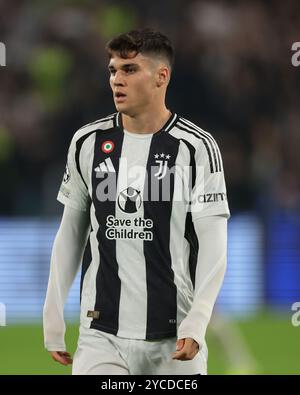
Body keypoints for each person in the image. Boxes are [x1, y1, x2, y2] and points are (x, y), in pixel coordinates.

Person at [43, 28, 230, 375]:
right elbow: (70, 232)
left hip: (173, 338)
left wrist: (198, 320)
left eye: (129, 70)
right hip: (102, 335)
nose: (117, 79)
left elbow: (214, 246)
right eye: (113, 70)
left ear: (162, 76)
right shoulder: (88, 142)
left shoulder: (196, 148)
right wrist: (52, 312)